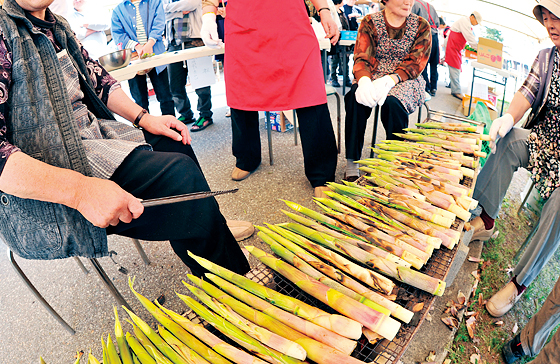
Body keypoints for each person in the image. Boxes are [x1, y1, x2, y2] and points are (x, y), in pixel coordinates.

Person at [0, 0, 252, 279]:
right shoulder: (3, 31)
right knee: (179, 177)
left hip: (90, 139)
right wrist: (80, 191)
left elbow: (99, 81)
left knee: (174, 141)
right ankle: (235, 287)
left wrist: (145, 118)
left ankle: (211, 230)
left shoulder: (58, 25)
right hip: (51, 175)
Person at [467, 0, 560, 324]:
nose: (551, 24)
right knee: (507, 140)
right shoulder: (548, 56)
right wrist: (508, 116)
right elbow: (529, 90)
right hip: (545, 141)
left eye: (556, 16)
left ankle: (519, 282)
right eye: (547, 17)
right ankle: (486, 220)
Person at [200, 0, 340, 198]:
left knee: (309, 93)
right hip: (243, 28)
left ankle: (322, 173)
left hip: (291, 26)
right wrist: (208, 17)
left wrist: (324, 11)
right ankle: (246, 158)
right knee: (241, 93)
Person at [342, 0, 431, 182]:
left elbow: (416, 61)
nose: (408, 2)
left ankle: (394, 161)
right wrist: (364, 80)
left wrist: (392, 79)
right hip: (374, 72)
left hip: (406, 77)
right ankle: (352, 161)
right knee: (354, 98)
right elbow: (362, 55)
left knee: (393, 103)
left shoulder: (421, 26)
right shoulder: (370, 22)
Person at [111, 0, 176, 117]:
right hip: (133, 60)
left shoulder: (155, 2)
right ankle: (147, 134)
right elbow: (118, 35)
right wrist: (137, 46)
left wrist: (150, 44)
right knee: (140, 104)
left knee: (165, 97)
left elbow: (159, 23)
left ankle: (173, 132)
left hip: (156, 56)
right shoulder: (118, 10)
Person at [162, 0, 214, 132]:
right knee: (175, 85)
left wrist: (169, 10)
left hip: (195, 40)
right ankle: (185, 114)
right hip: (173, 43)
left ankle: (205, 115)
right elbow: (161, 12)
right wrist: (178, 11)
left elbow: (191, 3)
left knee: (201, 84)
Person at [444, 11, 481, 100]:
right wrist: (479, 49)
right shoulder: (464, 21)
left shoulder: (466, 23)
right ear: (472, 17)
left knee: (456, 66)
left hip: (456, 48)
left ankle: (452, 85)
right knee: (455, 67)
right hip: (452, 46)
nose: (476, 24)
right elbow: (469, 37)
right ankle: (456, 91)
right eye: (477, 22)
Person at [411, 0, 439, 96]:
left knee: (423, 63)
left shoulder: (414, 4)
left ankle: (426, 88)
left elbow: (411, 22)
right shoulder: (430, 6)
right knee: (434, 64)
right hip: (435, 36)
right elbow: (438, 23)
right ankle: (434, 87)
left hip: (424, 36)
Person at [330, 0, 352, 88]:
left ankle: (346, 79)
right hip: (336, 39)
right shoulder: (332, 12)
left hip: (344, 39)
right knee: (335, 60)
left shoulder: (341, 11)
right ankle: (333, 79)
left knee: (345, 60)